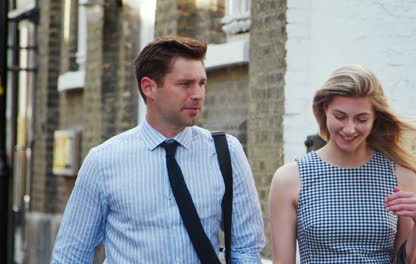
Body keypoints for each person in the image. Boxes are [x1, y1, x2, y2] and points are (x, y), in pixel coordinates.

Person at [52, 36, 265, 263]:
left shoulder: (226, 152)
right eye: (185, 84)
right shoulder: (103, 161)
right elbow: (71, 255)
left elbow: (246, 248)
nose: (197, 94)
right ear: (149, 87)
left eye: (201, 83)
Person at [269, 64, 416, 263]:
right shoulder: (290, 179)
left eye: (361, 119)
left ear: (375, 118)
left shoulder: (400, 175)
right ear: (325, 110)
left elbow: (407, 262)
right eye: (340, 117)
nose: (349, 129)